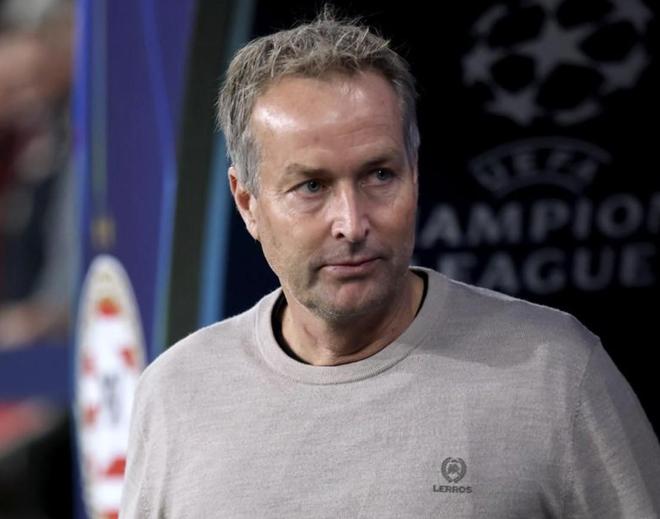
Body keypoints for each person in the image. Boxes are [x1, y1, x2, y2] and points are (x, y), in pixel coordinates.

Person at [120, 11, 660, 518]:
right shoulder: (175, 394)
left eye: (380, 175)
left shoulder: (555, 375)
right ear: (247, 203)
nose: (352, 223)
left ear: (415, 174)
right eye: (312, 186)